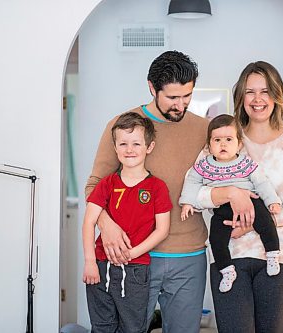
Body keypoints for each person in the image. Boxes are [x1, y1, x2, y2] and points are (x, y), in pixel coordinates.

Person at [85, 51, 209, 333]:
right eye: (173, 98)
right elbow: (95, 186)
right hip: (134, 258)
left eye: (187, 95)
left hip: (189, 256)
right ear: (152, 88)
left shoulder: (203, 128)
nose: (181, 105)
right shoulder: (124, 127)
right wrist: (107, 225)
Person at [197, 61, 283, 332]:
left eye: (265, 91)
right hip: (229, 257)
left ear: (277, 95)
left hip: (281, 259)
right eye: (250, 91)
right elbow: (197, 193)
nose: (257, 99)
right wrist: (230, 193)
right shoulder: (224, 139)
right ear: (240, 97)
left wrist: (254, 220)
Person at [82, 112, 172, 332]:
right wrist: (90, 262)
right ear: (115, 148)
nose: (129, 149)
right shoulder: (107, 184)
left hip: (136, 270)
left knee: (132, 328)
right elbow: (89, 223)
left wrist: (132, 254)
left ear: (149, 147)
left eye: (136, 143)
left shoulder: (157, 187)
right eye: (123, 143)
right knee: (102, 326)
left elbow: (162, 230)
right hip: (101, 267)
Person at [179, 114, 282, 293]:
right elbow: (192, 182)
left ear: (239, 144)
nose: (223, 144)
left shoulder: (245, 163)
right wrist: (187, 202)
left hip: (251, 202)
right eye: (217, 140)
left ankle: (273, 253)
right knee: (216, 239)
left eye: (228, 139)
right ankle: (227, 270)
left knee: (266, 222)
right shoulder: (204, 165)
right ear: (209, 145)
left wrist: (272, 201)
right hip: (222, 208)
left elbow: (262, 182)